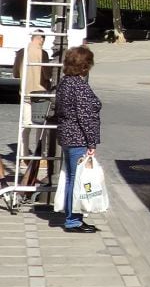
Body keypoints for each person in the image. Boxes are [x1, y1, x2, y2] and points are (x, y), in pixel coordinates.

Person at [54, 46, 102, 234]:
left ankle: (73, 217)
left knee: (72, 178)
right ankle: (73, 220)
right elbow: (85, 117)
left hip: (67, 135)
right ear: (84, 66)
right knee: (77, 180)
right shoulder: (79, 86)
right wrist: (92, 143)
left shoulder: (64, 83)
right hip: (77, 137)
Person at [15, 33, 52, 181]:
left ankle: (23, 154)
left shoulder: (21, 52)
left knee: (25, 125)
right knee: (40, 126)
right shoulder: (42, 53)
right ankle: (40, 156)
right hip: (39, 94)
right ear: (41, 39)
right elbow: (47, 73)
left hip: (25, 92)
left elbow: (15, 73)